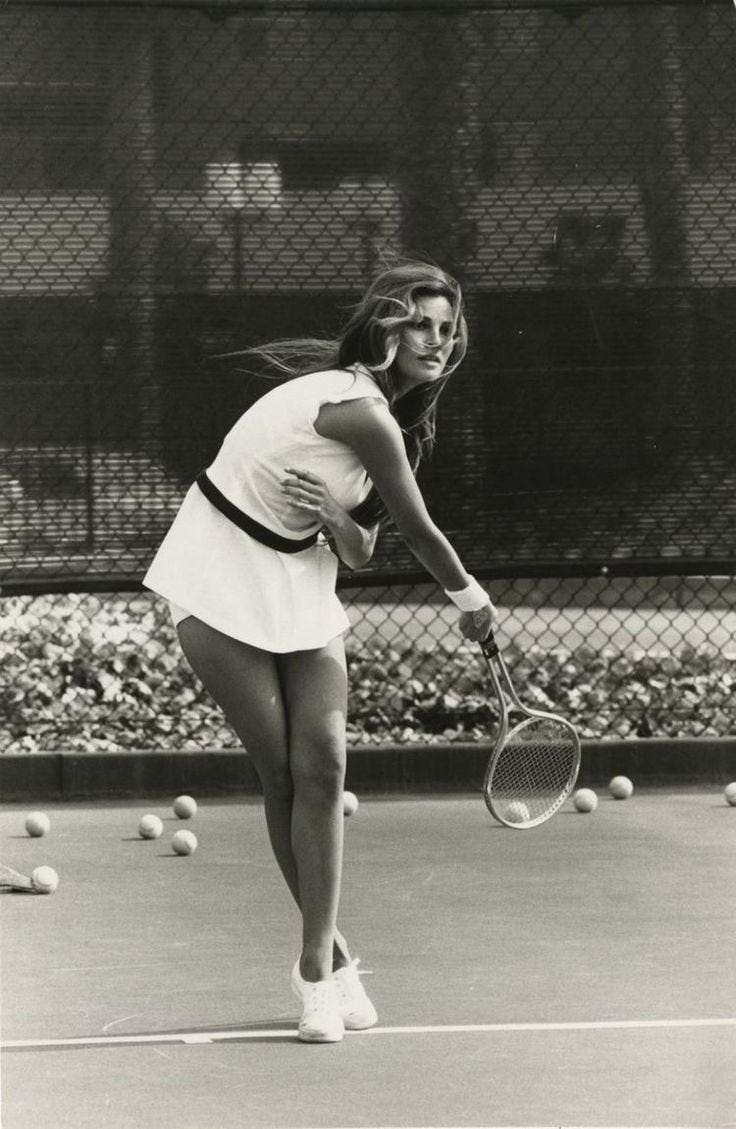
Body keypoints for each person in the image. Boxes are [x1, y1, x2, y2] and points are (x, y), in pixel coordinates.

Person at [143, 259, 497, 1043]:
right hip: (216, 571)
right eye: (420, 324)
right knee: (281, 772)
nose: (436, 340)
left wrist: (336, 520)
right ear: (386, 328)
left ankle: (322, 962)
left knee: (326, 765)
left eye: (447, 328)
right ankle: (322, 967)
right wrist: (472, 599)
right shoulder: (357, 409)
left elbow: (364, 548)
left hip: (301, 583)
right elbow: (419, 532)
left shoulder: (392, 423)